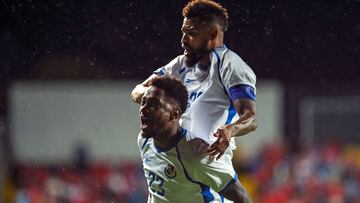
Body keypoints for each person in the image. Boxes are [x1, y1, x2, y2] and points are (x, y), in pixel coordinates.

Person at [131, 0, 257, 160]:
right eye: (183, 32)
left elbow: (251, 118)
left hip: (207, 162)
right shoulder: (178, 64)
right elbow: (137, 91)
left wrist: (230, 130)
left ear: (213, 34)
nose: (183, 40)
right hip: (173, 159)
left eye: (191, 33)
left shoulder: (231, 66)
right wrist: (157, 97)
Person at [137, 75, 251, 203]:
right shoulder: (145, 140)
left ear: (174, 114)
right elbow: (157, 191)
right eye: (143, 102)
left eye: (153, 105)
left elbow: (242, 197)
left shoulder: (196, 154)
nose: (143, 109)